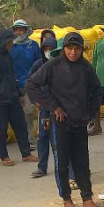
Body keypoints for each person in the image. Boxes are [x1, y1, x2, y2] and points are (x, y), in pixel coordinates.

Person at [26, 32, 104, 207]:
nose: (73, 52)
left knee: (82, 162)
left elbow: (96, 89)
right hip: (60, 123)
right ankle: (67, 200)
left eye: (77, 49)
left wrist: (91, 113)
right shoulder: (53, 66)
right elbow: (32, 84)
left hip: (79, 123)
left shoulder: (85, 67)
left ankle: (87, 199)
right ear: (64, 49)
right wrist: (53, 107)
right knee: (62, 163)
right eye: (70, 48)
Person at [0, 29, 37, 167]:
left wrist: (19, 95)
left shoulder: (8, 56)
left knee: (20, 126)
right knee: (1, 129)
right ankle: (4, 157)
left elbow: (12, 77)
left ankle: (26, 154)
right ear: (3, 42)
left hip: (13, 97)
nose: (12, 43)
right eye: (9, 41)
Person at [28, 36, 72, 179]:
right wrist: (37, 99)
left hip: (60, 107)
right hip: (45, 107)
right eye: (45, 49)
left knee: (60, 141)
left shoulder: (65, 67)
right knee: (43, 137)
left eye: (51, 49)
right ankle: (42, 167)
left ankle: (66, 171)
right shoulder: (39, 65)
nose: (48, 52)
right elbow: (31, 84)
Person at [10, 19, 40, 147]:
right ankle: (21, 139)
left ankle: (28, 139)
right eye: (16, 30)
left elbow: (39, 64)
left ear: (26, 31)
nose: (18, 32)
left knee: (28, 111)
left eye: (20, 30)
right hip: (13, 84)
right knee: (17, 113)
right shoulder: (10, 46)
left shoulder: (33, 45)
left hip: (29, 83)